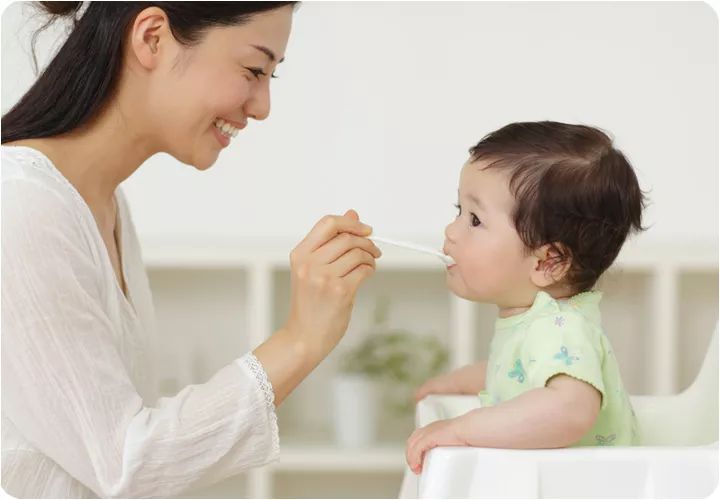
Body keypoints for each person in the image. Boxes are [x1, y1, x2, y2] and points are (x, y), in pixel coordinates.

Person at [1, 2, 382, 497]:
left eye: (270, 76)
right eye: (254, 70)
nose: (262, 106)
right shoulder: (22, 206)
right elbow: (128, 463)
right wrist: (300, 340)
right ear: (153, 38)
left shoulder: (105, 205)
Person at [406, 121, 646, 474]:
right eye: (458, 210)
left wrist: (462, 430)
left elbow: (570, 409)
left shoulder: (559, 327)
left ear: (548, 262)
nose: (451, 230)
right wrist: (463, 382)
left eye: (475, 220)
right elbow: (522, 375)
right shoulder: (539, 322)